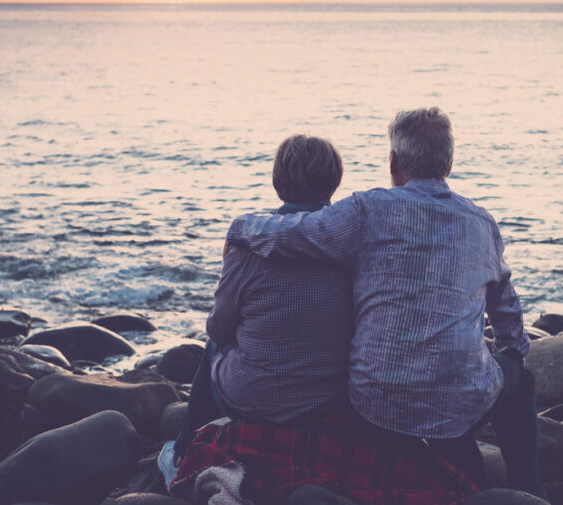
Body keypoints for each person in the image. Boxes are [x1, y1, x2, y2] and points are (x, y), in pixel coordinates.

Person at [224, 107, 546, 499]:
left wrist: (241, 226)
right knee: (519, 378)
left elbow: (293, 232)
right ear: (449, 162)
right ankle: (527, 487)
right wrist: (510, 353)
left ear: (393, 162)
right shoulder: (482, 223)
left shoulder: (367, 210)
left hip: (374, 404)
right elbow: (506, 309)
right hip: (458, 405)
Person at [172, 134, 353, 459]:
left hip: (254, 399)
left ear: (277, 180)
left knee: (214, 346)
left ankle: (184, 450)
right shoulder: (352, 244)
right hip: (330, 397)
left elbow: (219, 330)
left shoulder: (249, 243)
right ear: (334, 181)